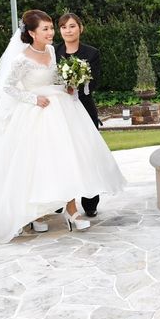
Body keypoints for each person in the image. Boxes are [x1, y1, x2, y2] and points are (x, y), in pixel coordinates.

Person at [0, 10, 126, 244]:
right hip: (35, 114)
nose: (51, 33)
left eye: (51, 28)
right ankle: (36, 214)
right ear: (32, 33)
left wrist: (69, 85)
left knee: (65, 159)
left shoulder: (51, 51)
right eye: (46, 29)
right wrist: (33, 99)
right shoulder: (21, 59)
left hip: (60, 111)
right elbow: (7, 87)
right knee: (36, 164)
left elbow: (54, 78)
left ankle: (71, 210)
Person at [55, 13, 101, 217]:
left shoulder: (91, 53)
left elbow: (95, 82)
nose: (68, 30)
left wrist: (76, 86)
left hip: (84, 107)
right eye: (64, 27)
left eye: (72, 26)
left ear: (80, 28)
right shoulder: (53, 51)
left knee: (88, 153)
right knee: (60, 154)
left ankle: (90, 202)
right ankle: (59, 199)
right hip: (59, 110)